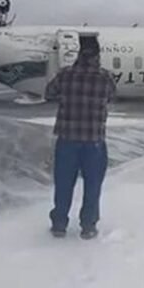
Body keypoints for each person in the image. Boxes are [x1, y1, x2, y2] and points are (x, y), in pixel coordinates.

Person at [44, 44, 117, 240]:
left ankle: (59, 224)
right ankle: (88, 225)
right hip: (94, 141)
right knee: (93, 185)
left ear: (78, 56)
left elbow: (49, 93)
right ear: (97, 57)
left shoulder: (65, 75)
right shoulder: (105, 77)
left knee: (63, 184)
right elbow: (111, 96)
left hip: (67, 139)